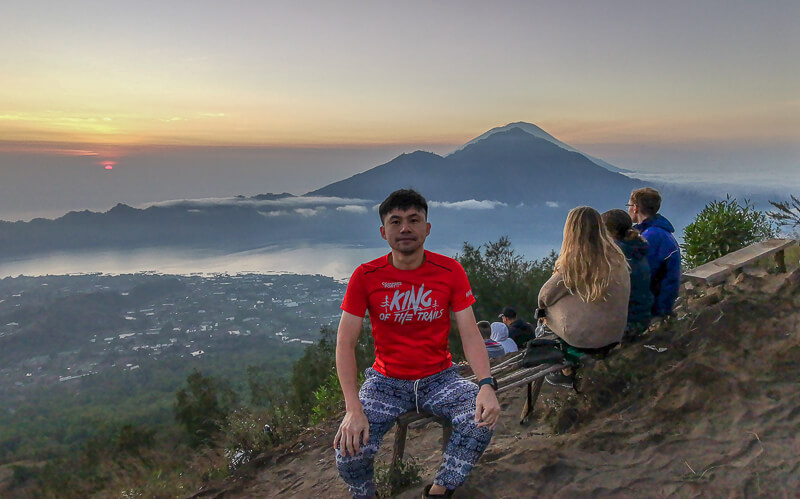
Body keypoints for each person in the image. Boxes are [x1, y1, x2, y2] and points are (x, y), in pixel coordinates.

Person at [334, 189, 501, 499]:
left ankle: (440, 490)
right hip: (386, 382)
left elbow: (469, 332)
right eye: (396, 222)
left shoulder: (449, 271)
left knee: (480, 419)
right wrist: (352, 408)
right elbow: (345, 344)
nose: (405, 228)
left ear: (427, 228)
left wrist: (486, 385)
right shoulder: (365, 276)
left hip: (440, 377)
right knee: (349, 452)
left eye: (414, 220)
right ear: (384, 232)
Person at [538, 206, 630, 388]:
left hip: (585, 339)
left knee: (544, 312)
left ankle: (564, 368)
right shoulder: (617, 257)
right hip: (615, 333)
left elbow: (544, 296)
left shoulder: (575, 263)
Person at [627, 187, 681, 318]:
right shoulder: (659, 232)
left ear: (635, 208)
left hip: (655, 307)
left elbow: (641, 276)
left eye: (629, 205)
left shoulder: (651, 237)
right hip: (661, 301)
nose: (627, 209)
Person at [602, 209, 654, 341]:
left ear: (612, 232)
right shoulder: (636, 248)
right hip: (643, 318)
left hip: (627, 324)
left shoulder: (617, 255)